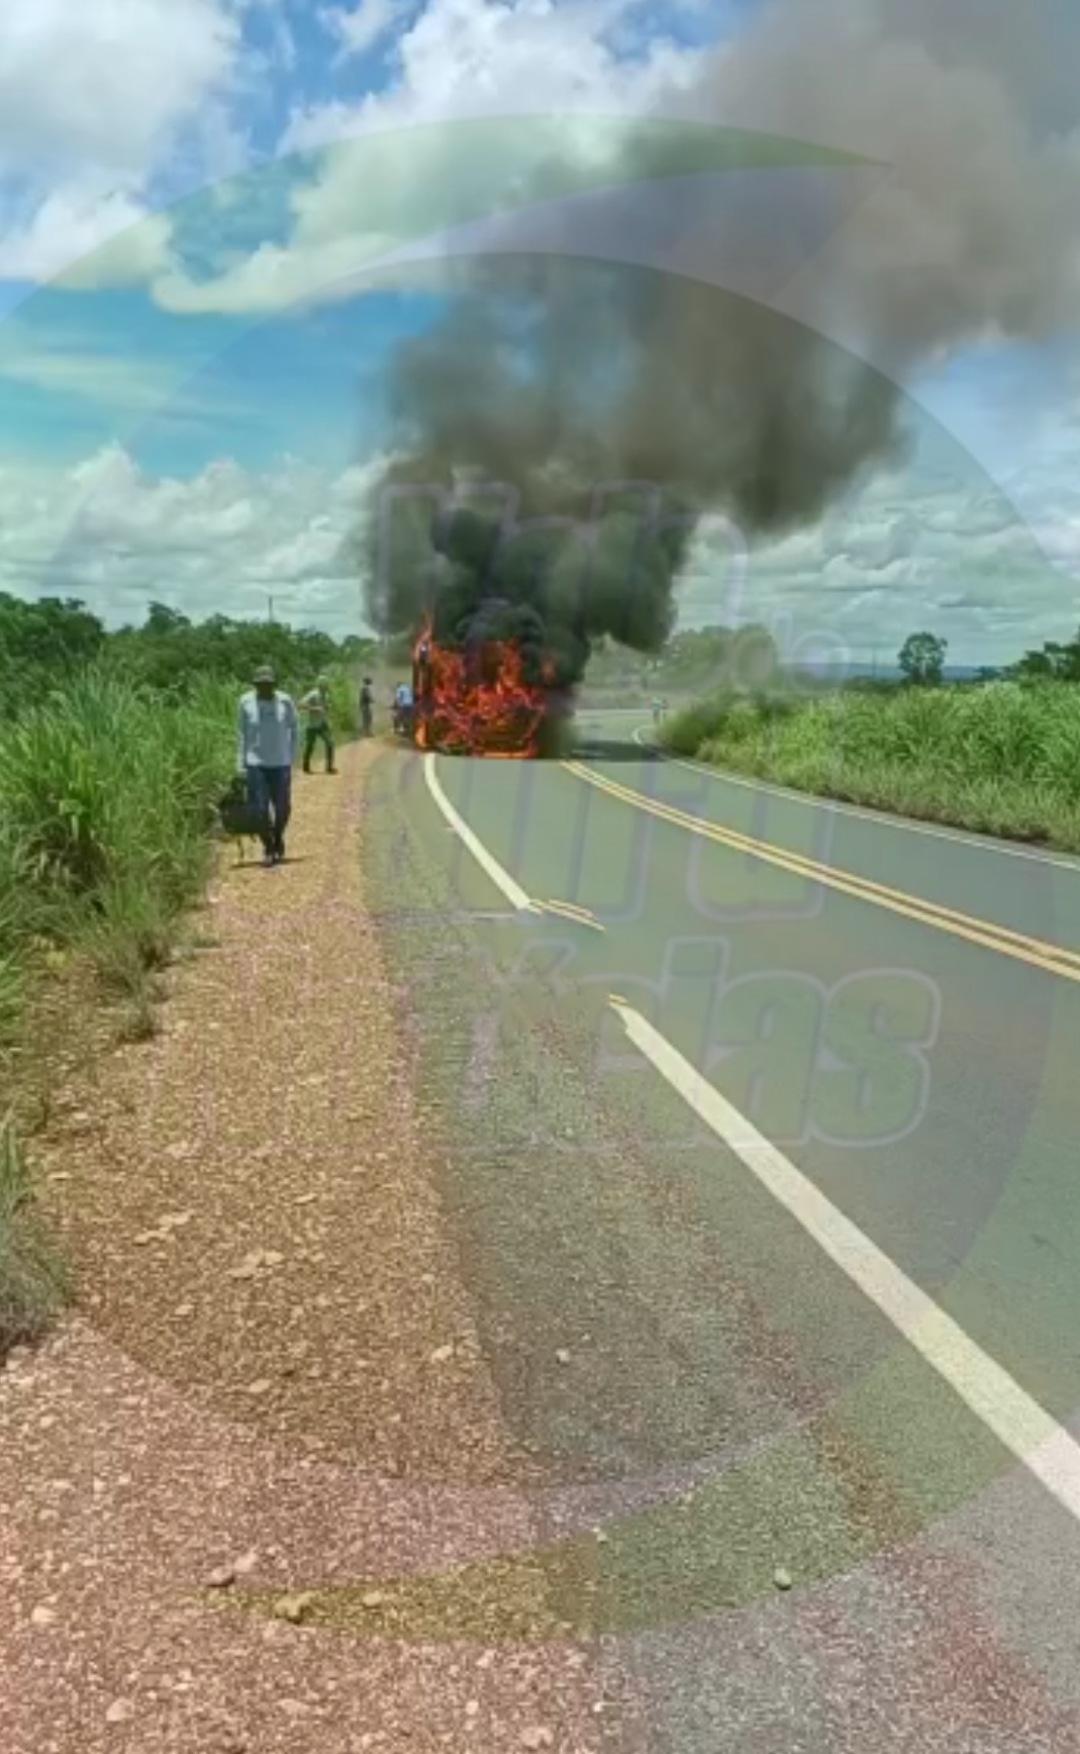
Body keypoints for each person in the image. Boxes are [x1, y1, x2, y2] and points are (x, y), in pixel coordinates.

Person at [237, 664, 299, 866]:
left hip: (281, 763)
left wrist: (292, 757)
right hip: (256, 764)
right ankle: (268, 847)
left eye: (268, 684)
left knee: (283, 808)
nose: (265, 688)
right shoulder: (245, 702)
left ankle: (278, 835)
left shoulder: (285, 701)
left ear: (274, 684)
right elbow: (241, 734)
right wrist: (240, 763)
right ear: (255, 685)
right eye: (261, 684)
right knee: (259, 810)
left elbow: (294, 728)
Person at [300, 674, 336, 774]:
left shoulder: (326, 695)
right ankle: (305, 767)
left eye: (326, 684)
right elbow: (301, 704)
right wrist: (314, 708)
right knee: (310, 745)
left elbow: (326, 707)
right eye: (324, 684)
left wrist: (328, 708)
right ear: (320, 685)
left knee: (330, 743)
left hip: (322, 723)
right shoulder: (313, 694)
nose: (326, 686)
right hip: (312, 724)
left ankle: (329, 767)